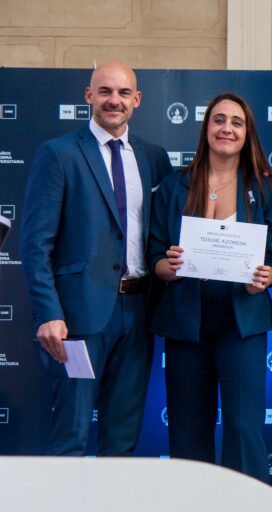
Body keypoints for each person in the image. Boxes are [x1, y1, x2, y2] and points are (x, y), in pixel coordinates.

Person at [20, 61, 173, 455]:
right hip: (76, 318)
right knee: (69, 437)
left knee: (122, 440)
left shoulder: (154, 158)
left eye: (123, 93)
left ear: (137, 100)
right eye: (105, 91)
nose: (114, 100)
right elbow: (35, 245)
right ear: (89, 96)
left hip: (139, 314)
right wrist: (49, 312)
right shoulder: (58, 154)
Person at [149, 93, 272, 480]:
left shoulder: (267, 189)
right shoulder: (174, 185)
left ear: (247, 133)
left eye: (236, 122)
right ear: (206, 128)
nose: (227, 128)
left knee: (244, 429)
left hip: (242, 321)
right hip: (186, 322)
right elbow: (155, 255)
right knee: (187, 430)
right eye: (219, 120)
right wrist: (168, 267)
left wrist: (268, 276)